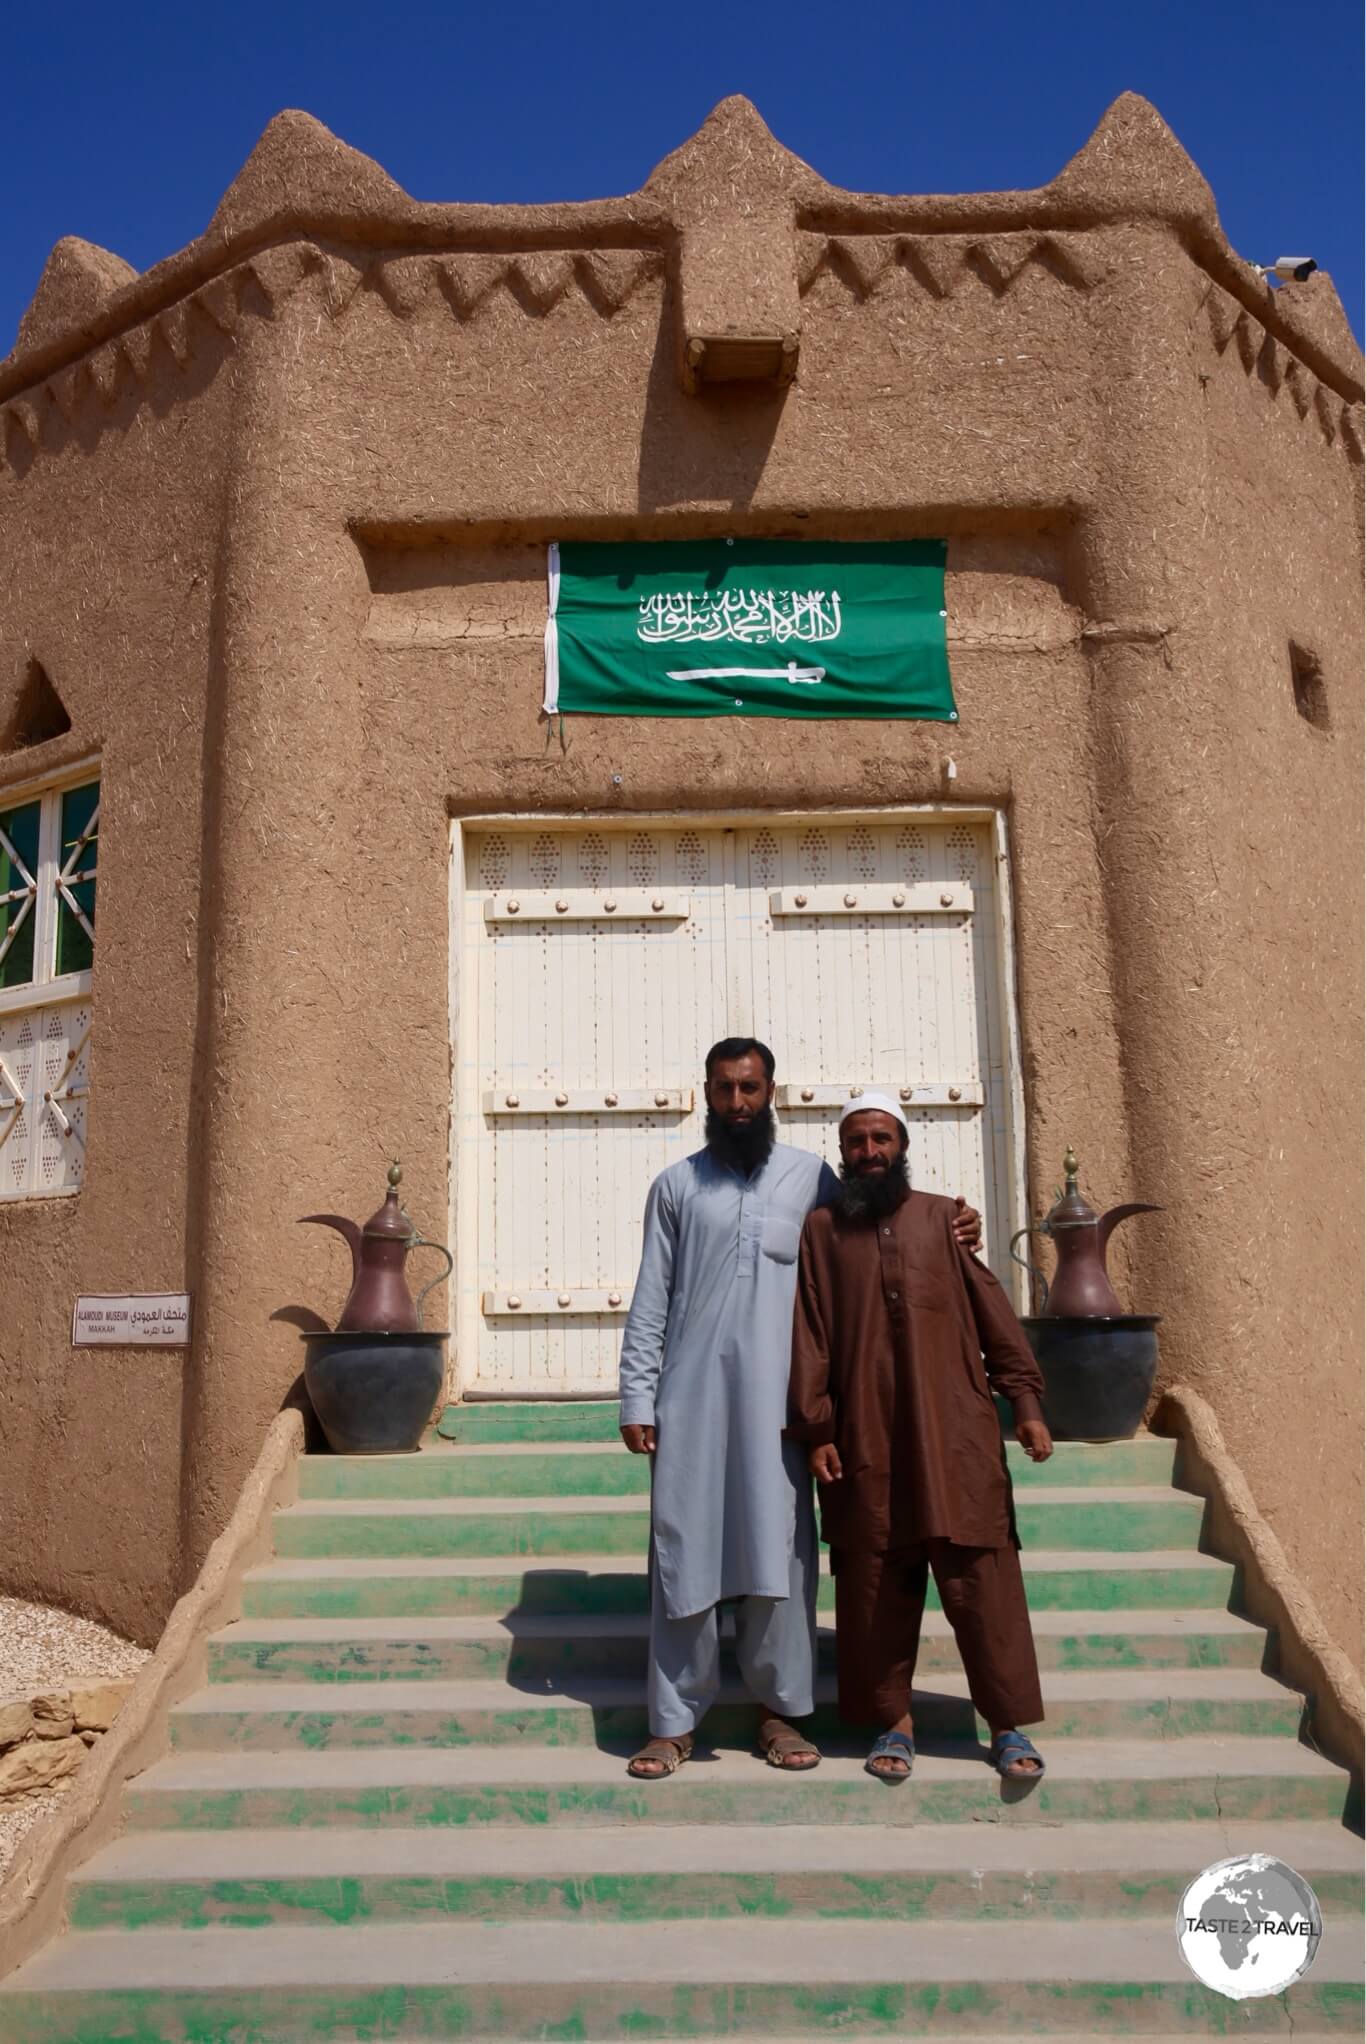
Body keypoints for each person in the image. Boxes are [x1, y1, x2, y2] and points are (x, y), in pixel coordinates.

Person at [617, 1042, 981, 1780]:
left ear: (772, 1090)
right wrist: (638, 1393)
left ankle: (780, 1712)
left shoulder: (810, 1178)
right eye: (725, 1089)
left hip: (785, 1407)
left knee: (779, 1557)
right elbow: (650, 1297)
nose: (739, 1103)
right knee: (682, 1554)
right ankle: (673, 1721)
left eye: (750, 1087)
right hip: (689, 1401)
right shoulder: (676, 1186)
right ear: (707, 1095)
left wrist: (953, 1226)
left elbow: (878, 1234)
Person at [787, 1091, 1052, 1784]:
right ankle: (892, 1724)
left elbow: (993, 1313)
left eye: (881, 1139)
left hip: (955, 1437)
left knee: (982, 1583)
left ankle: (1006, 1725)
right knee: (873, 1583)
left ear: (902, 1147)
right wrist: (815, 1427)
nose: (869, 1152)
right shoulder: (820, 1230)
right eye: (855, 1142)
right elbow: (810, 1334)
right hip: (866, 1440)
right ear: (842, 1155)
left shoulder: (943, 1219)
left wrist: (1024, 1402)